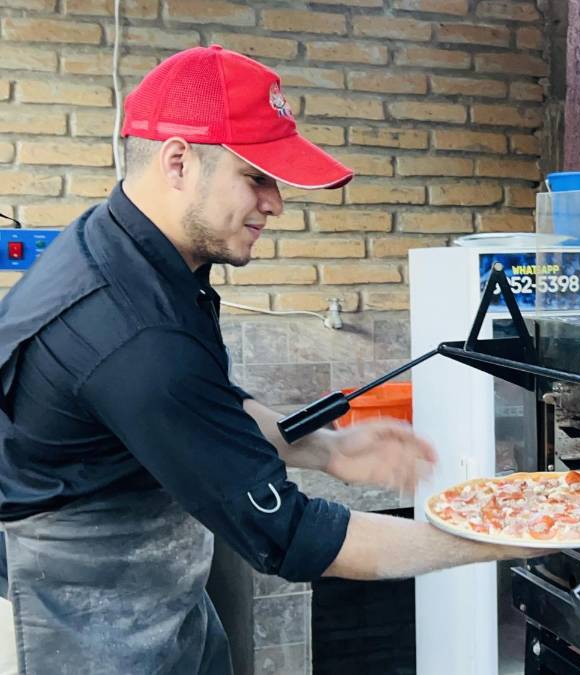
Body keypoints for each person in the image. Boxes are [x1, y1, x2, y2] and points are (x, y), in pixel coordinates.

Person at [0, 45, 533, 673]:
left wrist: (328, 449)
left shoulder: (134, 253)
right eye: (256, 177)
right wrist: (509, 538)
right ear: (178, 161)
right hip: (77, 615)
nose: (276, 204)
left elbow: (209, 410)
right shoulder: (132, 333)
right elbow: (293, 537)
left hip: (153, 593)